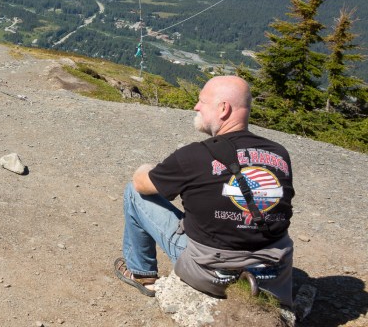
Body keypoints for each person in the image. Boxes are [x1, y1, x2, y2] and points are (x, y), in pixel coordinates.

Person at [114, 75, 295, 306]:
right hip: (273, 274)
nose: (196, 106)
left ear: (223, 109)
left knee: (133, 192)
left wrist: (148, 168)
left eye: (202, 101)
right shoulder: (280, 154)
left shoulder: (195, 155)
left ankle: (142, 273)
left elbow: (141, 183)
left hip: (213, 275)